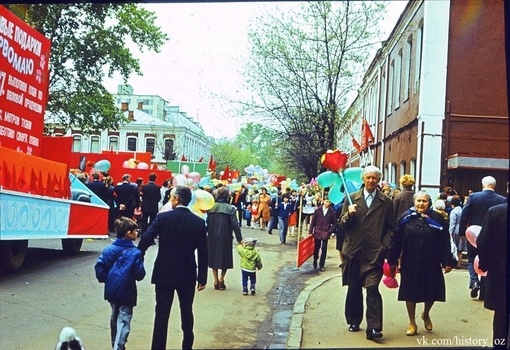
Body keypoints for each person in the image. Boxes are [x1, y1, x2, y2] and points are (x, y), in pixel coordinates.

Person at [137, 185, 208, 350]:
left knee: (161, 313)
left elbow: (147, 238)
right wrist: (202, 277)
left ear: (177, 199)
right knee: (186, 310)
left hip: (164, 271)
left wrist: (138, 254)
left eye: (171, 197)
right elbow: (203, 252)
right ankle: (187, 345)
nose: (170, 199)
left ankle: (158, 347)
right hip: (187, 273)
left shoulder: (163, 218)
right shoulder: (198, 222)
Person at [339, 165, 396, 341]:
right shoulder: (352, 198)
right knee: (354, 287)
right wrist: (349, 215)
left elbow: (391, 228)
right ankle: (354, 320)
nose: (371, 181)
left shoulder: (385, 201)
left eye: (374, 178)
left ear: (379, 180)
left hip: (375, 253)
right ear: (363, 179)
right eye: (368, 177)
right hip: (354, 251)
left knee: (372, 288)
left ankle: (374, 328)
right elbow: (342, 224)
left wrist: (384, 246)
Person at [388, 191, 454, 336]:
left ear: (429, 202)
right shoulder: (406, 218)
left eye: (424, 201)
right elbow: (396, 240)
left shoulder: (437, 218)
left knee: (431, 291)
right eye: (418, 201)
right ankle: (412, 322)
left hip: (431, 261)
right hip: (410, 261)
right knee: (409, 293)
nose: (421, 204)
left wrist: (447, 260)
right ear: (414, 202)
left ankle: (426, 313)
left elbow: (444, 241)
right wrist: (392, 260)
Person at [94, 217, 146, 350]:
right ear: (128, 233)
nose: (137, 233)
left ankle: (115, 343)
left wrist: (108, 279)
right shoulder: (136, 253)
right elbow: (139, 274)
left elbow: (100, 268)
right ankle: (118, 346)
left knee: (114, 315)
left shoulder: (108, 250)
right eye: (135, 231)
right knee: (124, 319)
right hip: (127, 290)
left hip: (111, 289)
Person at [459, 176, 506, 300]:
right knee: (488, 260)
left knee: (471, 258)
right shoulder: (502, 200)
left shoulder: (473, 197)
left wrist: (461, 232)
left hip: (474, 235)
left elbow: (465, 215)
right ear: (494, 186)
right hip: (493, 236)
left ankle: (474, 281)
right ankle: (484, 291)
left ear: (482, 184)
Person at [477, 191, 508, 348]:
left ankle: (500, 345)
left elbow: (483, 241)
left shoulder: (495, 212)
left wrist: (485, 264)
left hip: (500, 271)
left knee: (502, 314)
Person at [207, 186, 243, 290]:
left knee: (213, 257)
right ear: (227, 196)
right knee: (225, 257)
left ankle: (215, 279)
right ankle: (222, 278)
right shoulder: (231, 208)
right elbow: (235, 225)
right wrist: (239, 239)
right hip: (226, 236)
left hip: (212, 236)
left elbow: (206, 223)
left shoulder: (211, 207)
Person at [309, 197, 337, 271]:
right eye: (327, 201)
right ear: (323, 201)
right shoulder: (318, 210)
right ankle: (315, 260)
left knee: (324, 249)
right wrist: (310, 231)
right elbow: (313, 222)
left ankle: (322, 265)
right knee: (316, 248)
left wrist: (330, 231)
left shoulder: (332, 212)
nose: (328, 203)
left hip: (326, 232)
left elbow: (335, 223)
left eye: (329, 202)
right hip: (317, 231)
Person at [449, 195, 466, 267]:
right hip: (462, 229)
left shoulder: (454, 212)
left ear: (452, 204)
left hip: (455, 230)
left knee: (454, 247)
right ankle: (459, 263)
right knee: (460, 248)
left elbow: (452, 223)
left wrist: (450, 232)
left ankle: (454, 262)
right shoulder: (462, 210)